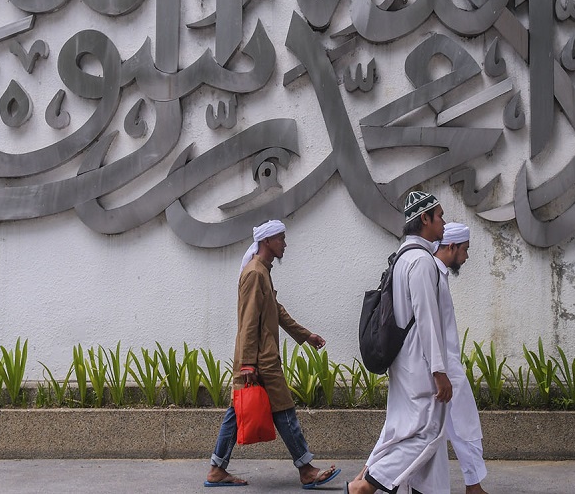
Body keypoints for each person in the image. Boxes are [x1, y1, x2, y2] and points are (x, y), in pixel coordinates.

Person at [205, 220, 340, 489]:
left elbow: (275, 311)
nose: (285, 244)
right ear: (267, 242)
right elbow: (247, 321)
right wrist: (247, 364)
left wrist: (305, 335)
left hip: (259, 360)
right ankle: (306, 468)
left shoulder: (262, 271)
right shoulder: (255, 273)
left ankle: (217, 469)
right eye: (281, 239)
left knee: (237, 412)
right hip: (260, 361)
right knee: (285, 411)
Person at [350, 190, 452, 494]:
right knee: (425, 434)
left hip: (405, 366)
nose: (444, 223)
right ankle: (365, 485)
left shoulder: (402, 258)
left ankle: (366, 479)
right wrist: (439, 370)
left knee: (400, 433)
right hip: (419, 368)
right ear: (425, 218)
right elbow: (426, 319)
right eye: (440, 215)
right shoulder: (421, 261)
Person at [434, 223, 489, 494]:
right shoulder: (430, 273)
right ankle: (365, 483)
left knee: (462, 425)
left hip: (444, 366)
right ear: (452, 246)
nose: (466, 257)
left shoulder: (437, 274)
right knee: (409, 435)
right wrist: (440, 372)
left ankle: (474, 485)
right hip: (439, 369)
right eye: (465, 250)